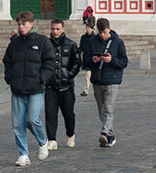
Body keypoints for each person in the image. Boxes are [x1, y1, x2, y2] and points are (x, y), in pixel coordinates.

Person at [3, 11, 55, 167]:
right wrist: (9, 78)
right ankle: (23, 154)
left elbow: (50, 62)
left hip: (35, 89)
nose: (21, 27)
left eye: (23, 24)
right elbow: (8, 62)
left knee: (32, 119)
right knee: (18, 124)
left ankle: (42, 141)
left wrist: (42, 79)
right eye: (19, 24)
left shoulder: (42, 41)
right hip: (17, 89)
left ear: (31, 24)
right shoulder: (15, 43)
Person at [86, 17, 128, 147]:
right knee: (101, 110)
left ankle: (104, 133)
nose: (102, 35)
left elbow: (124, 62)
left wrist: (112, 60)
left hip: (112, 80)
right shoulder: (93, 41)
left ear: (109, 29)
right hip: (97, 80)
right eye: (100, 32)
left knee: (108, 109)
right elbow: (86, 61)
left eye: (104, 32)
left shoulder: (118, 42)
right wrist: (93, 60)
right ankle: (111, 135)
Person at [44, 19, 81, 150]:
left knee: (68, 114)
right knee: (50, 114)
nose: (55, 31)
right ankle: (52, 139)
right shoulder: (46, 44)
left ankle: (70, 135)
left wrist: (69, 75)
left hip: (67, 87)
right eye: (53, 29)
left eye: (58, 29)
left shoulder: (71, 44)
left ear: (63, 29)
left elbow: (77, 63)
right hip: (50, 86)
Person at [79, 22, 97, 96]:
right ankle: (86, 90)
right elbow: (81, 47)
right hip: (87, 59)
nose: (87, 30)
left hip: (94, 60)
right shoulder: (83, 37)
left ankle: (96, 91)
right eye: (86, 28)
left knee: (95, 77)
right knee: (87, 76)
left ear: (92, 29)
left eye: (89, 28)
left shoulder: (95, 38)